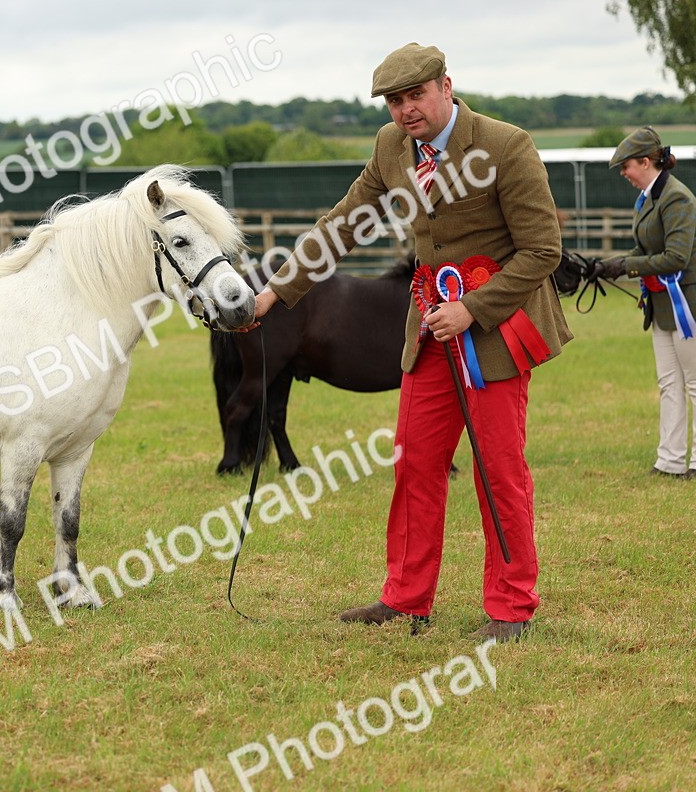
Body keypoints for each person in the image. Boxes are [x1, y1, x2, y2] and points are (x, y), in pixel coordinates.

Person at [248, 43, 573, 642]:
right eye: (394, 101)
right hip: (427, 334)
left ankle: (511, 606)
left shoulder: (506, 145)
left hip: (496, 335)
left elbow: (542, 250)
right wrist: (274, 293)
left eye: (414, 96)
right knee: (415, 464)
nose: (404, 111)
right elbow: (343, 222)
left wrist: (472, 308)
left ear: (446, 86)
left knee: (498, 471)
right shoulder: (389, 147)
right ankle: (404, 598)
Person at [595, 127, 696, 479]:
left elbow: (677, 258)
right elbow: (646, 250)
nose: (624, 173)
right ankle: (669, 460)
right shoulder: (648, 198)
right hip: (660, 305)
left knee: (695, 384)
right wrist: (611, 265)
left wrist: (628, 265)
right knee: (669, 383)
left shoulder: (677, 199)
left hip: (688, 306)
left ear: (645, 161)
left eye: (626, 167)